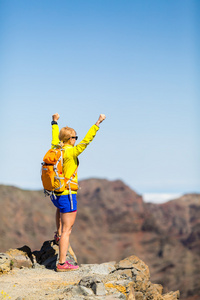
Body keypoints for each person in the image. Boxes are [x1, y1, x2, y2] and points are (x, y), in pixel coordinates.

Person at [50, 113, 106, 271]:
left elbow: (55, 135)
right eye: (75, 137)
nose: (76, 139)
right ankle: (62, 263)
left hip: (55, 193)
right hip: (67, 193)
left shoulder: (56, 147)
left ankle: (58, 234)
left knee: (60, 210)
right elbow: (87, 140)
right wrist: (97, 123)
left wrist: (54, 122)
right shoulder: (71, 152)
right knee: (68, 230)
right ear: (69, 139)